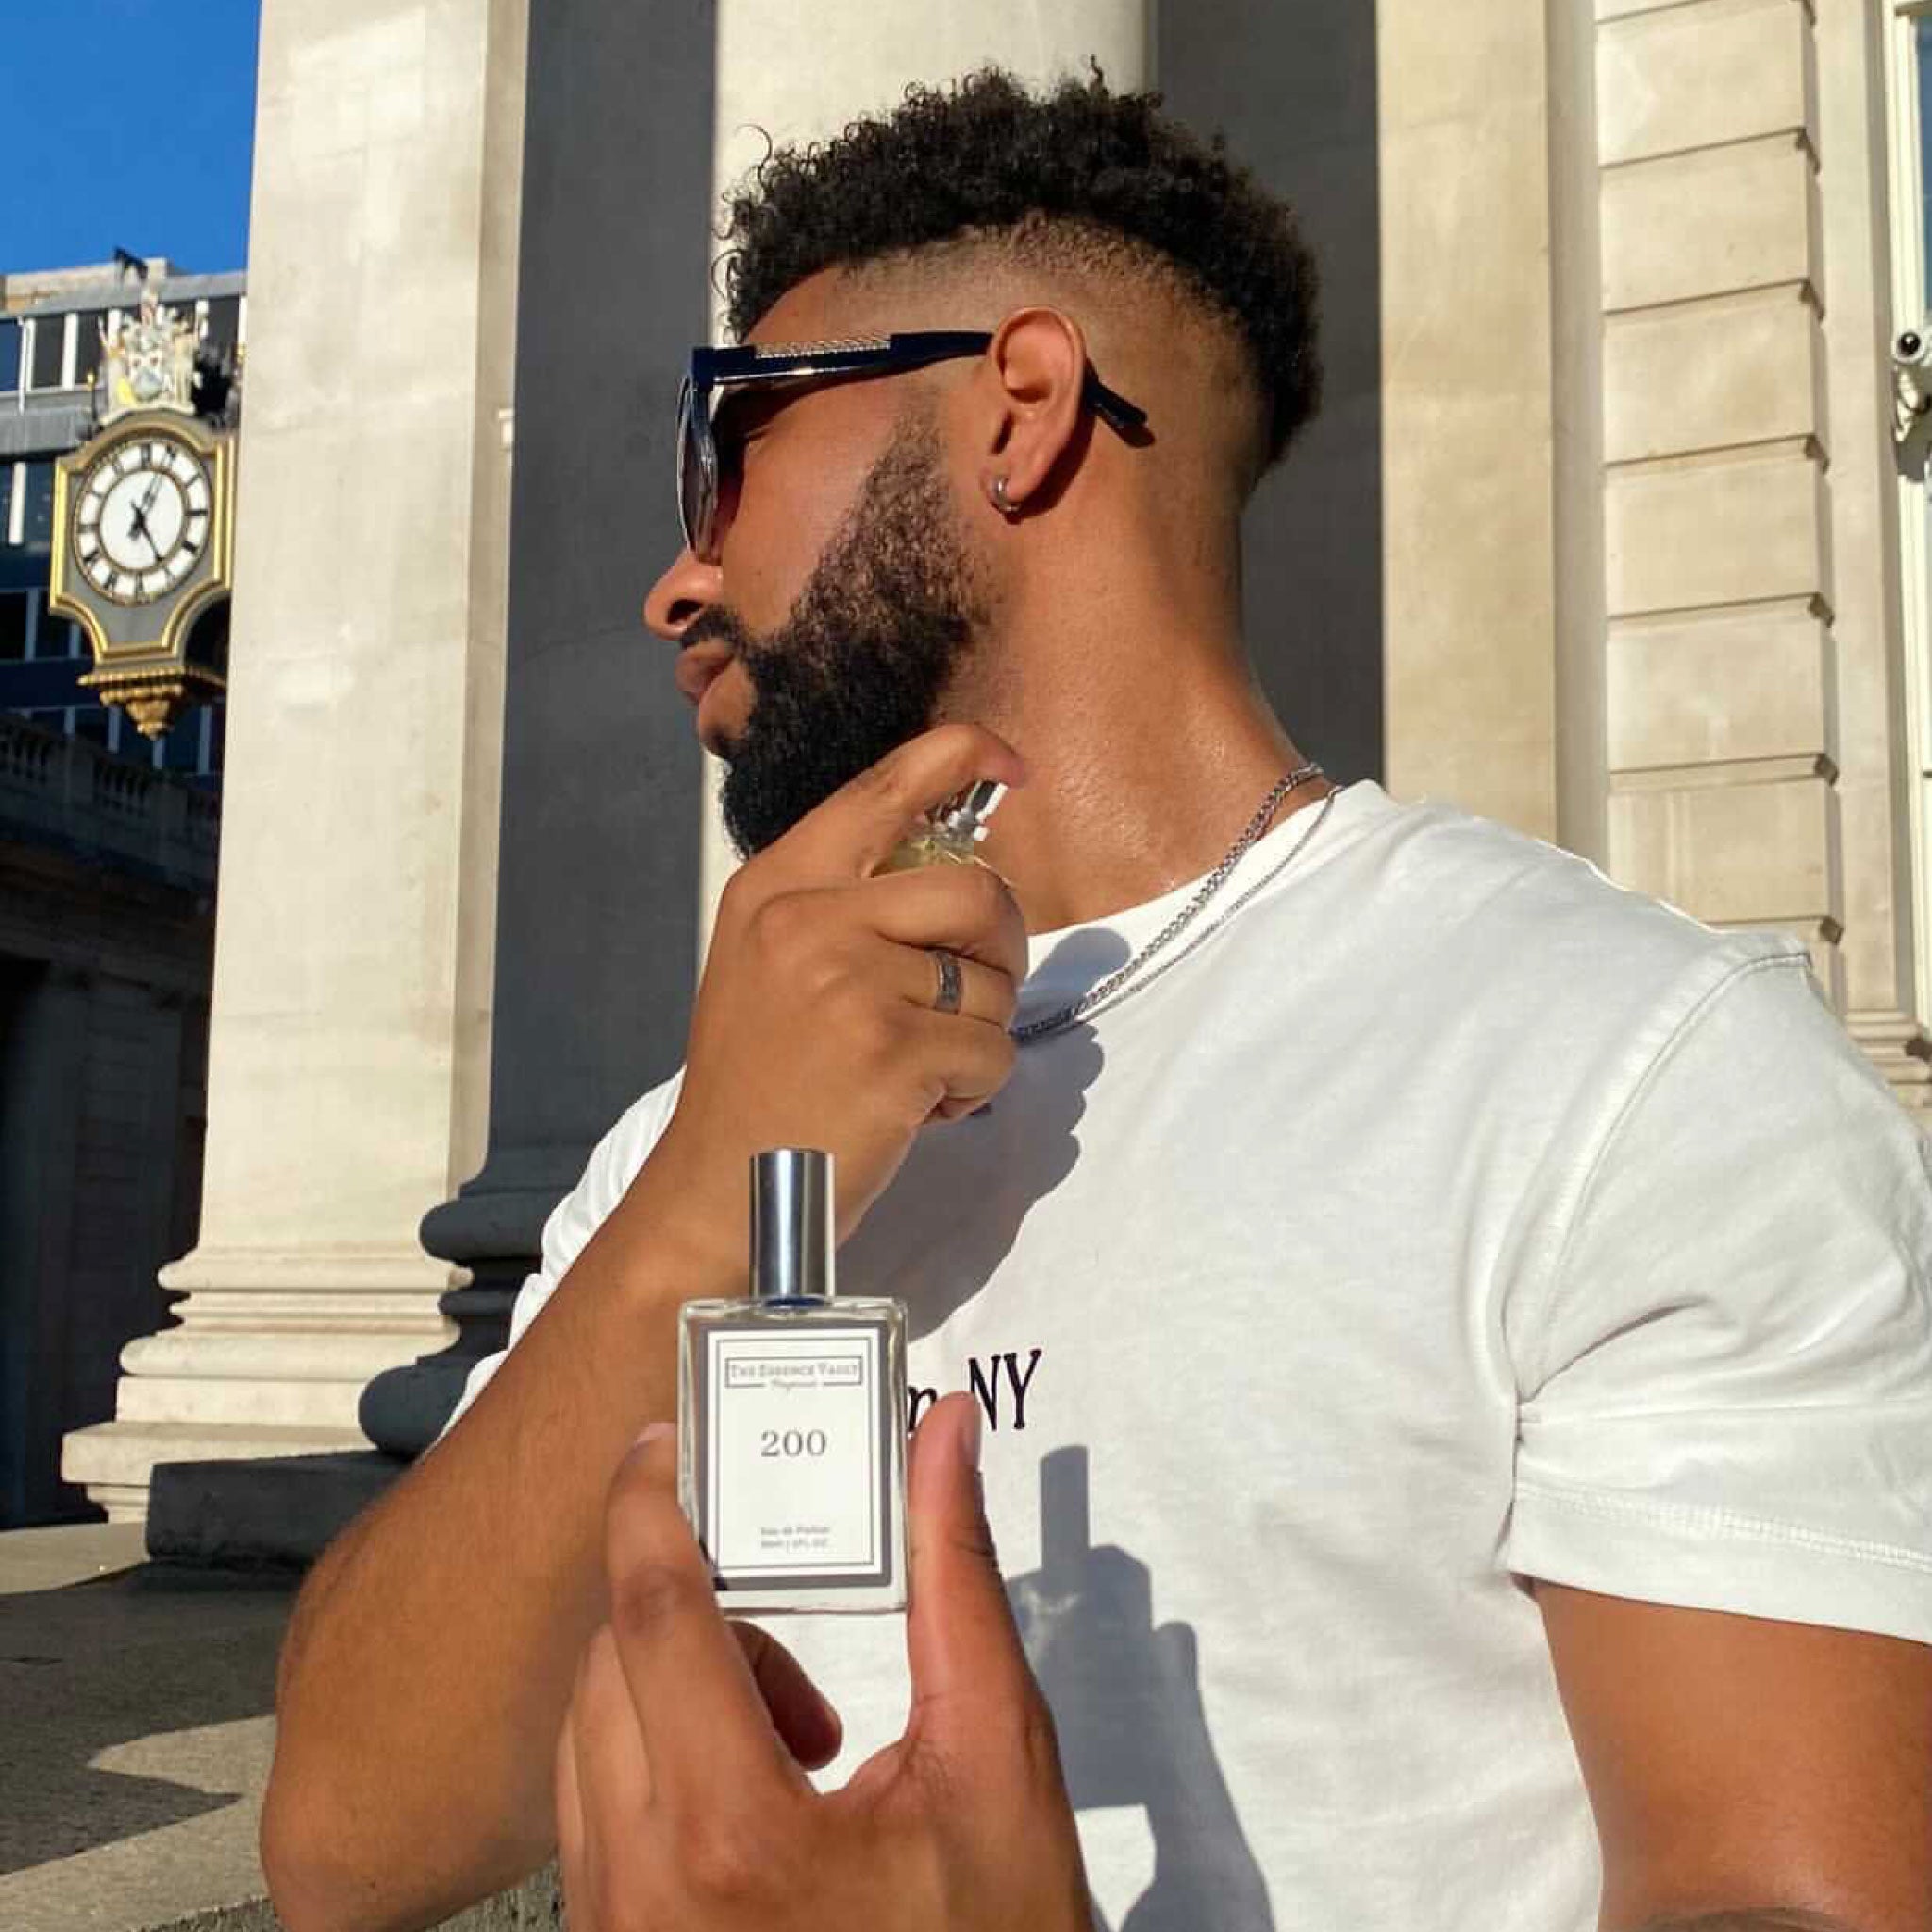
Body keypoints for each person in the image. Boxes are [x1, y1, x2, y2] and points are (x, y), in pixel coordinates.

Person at [261, 68, 1932, 1932]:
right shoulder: (695, 1131)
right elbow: (343, 1845)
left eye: (727, 444)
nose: (676, 578)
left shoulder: (1625, 1071)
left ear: (1022, 406)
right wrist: (710, 1190)